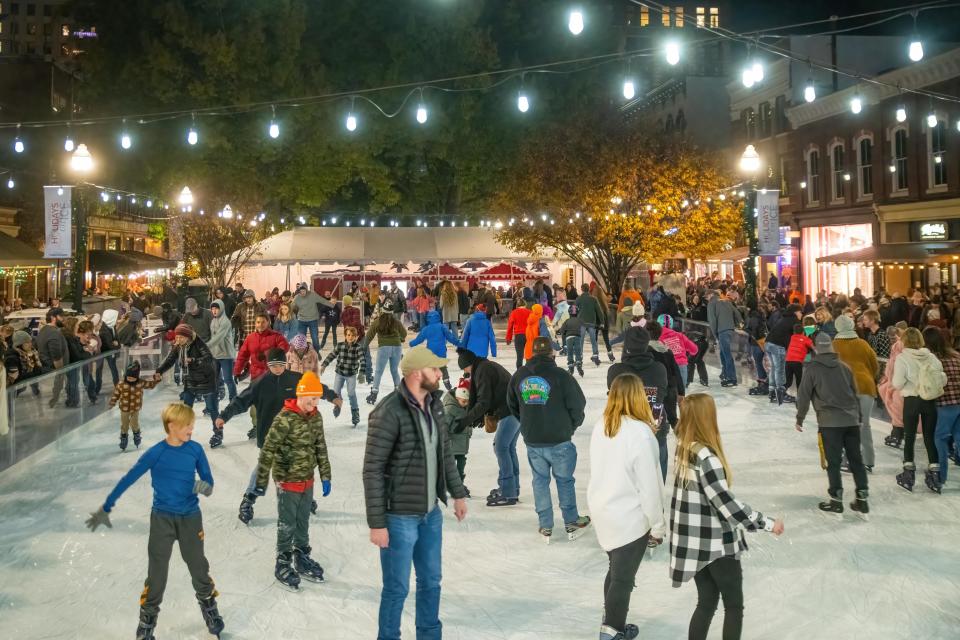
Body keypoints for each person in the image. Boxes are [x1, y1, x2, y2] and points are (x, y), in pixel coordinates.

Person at [84, 403, 224, 640]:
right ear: (172, 426)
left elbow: (208, 483)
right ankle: (147, 621)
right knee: (157, 572)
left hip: (190, 518)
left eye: (192, 424)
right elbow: (128, 478)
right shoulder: (156, 453)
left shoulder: (196, 450)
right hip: (162, 520)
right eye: (187, 425)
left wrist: (202, 486)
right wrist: (106, 508)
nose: (192, 428)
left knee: (198, 565)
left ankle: (209, 607)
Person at [362, 344, 468, 640]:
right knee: (397, 588)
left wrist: (457, 493)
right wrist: (377, 523)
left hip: (430, 514)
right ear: (415, 373)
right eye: (434, 368)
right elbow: (372, 470)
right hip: (398, 518)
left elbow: (444, 453)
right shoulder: (388, 412)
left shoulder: (434, 404)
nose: (439, 373)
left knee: (431, 581)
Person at [670, 393, 784, 640]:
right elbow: (727, 505)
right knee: (733, 606)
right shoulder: (706, 458)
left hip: (694, 543)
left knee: (706, 602)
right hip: (717, 545)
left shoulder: (684, 448)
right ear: (706, 417)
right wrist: (767, 523)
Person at [218, 348, 340, 523]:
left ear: (285, 364)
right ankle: (248, 501)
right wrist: (224, 416)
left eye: (280, 365)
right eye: (273, 365)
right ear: (268, 365)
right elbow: (241, 401)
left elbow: (315, 387)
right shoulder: (260, 383)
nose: (277, 368)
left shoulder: (296, 379)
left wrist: (333, 396)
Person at [588, 373, 666, 640]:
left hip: (603, 510)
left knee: (616, 571)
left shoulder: (603, 424)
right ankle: (610, 632)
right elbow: (650, 486)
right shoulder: (641, 434)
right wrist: (657, 525)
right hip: (628, 517)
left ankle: (612, 621)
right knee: (622, 578)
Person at [507, 337, 591, 542]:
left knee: (540, 481)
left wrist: (528, 424)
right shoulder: (561, 376)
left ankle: (545, 525)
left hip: (533, 440)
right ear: (552, 354)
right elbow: (578, 405)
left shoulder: (519, 376)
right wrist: (569, 427)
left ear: (532, 353)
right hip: (560, 439)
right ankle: (571, 521)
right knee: (564, 480)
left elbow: (512, 405)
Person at [253, 370, 331, 590]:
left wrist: (325, 475)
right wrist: (261, 480)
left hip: (307, 479)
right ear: (300, 395)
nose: (315, 403)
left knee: (303, 520)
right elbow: (268, 449)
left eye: (317, 399)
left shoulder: (316, 416)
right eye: (311, 398)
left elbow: (320, 447)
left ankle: (301, 556)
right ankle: (283, 561)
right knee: (287, 523)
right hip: (287, 480)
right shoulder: (284, 418)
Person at [794, 333, 870, 516]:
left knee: (834, 462)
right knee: (856, 461)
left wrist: (799, 418)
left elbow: (803, 396)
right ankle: (862, 499)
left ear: (816, 348)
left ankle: (836, 500)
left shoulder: (812, 369)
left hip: (830, 423)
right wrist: (858, 416)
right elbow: (854, 393)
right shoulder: (845, 367)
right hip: (851, 421)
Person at [457, 348, 517, 506]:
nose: (466, 374)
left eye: (465, 369)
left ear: (469, 365)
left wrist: (466, 420)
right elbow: (491, 395)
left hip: (510, 410)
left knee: (501, 448)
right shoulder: (486, 366)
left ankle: (508, 492)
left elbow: (484, 400)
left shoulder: (483, 370)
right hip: (516, 409)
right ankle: (511, 488)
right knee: (508, 448)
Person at [608, 327, 669, 479]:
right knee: (656, 482)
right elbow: (661, 397)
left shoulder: (616, 371)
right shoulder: (659, 369)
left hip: (625, 433)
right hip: (654, 430)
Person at [892, 327, 947, 493]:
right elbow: (942, 378)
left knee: (909, 436)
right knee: (929, 437)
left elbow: (897, 383)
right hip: (929, 401)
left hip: (912, 401)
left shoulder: (902, 358)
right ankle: (935, 474)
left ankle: (909, 473)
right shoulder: (931, 357)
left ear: (904, 341)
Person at [156, 324, 221, 447]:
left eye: (181, 337)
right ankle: (184, 434)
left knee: (212, 409)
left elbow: (208, 359)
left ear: (188, 337)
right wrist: (159, 370)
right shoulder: (179, 346)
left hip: (206, 380)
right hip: (190, 380)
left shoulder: (198, 343)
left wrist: (194, 360)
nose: (178, 340)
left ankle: (218, 433)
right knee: (185, 410)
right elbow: (170, 359)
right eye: (177, 337)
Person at [832, 315, 880, 472]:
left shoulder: (833, 346)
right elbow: (875, 365)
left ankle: (848, 460)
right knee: (864, 425)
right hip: (866, 386)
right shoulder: (863, 344)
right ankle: (868, 460)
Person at [926, 327, 960, 486]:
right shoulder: (956, 355)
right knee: (959, 437)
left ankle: (941, 477)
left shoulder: (933, 359)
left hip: (945, 403)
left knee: (940, 438)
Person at [321, 326, 368, 428]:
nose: (350, 337)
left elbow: (363, 360)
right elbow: (332, 355)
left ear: (356, 337)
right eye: (348, 335)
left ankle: (355, 412)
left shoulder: (358, 348)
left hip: (351, 375)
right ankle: (338, 405)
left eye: (352, 335)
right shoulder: (340, 346)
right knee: (336, 392)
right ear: (345, 336)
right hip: (340, 373)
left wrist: (361, 373)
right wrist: (324, 365)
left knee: (351, 393)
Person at [108, 361, 160, 451]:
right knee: (124, 424)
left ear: (137, 377)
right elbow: (115, 394)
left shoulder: (140, 382)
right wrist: (112, 403)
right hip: (124, 408)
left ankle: (136, 434)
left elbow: (150, 385)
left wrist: (156, 379)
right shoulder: (121, 384)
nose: (130, 379)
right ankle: (124, 437)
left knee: (134, 423)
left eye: (133, 378)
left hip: (135, 408)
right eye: (128, 377)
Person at [364, 306, 407, 406]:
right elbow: (404, 333)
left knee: (379, 371)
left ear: (382, 311)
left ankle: (374, 393)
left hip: (384, 348)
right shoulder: (396, 321)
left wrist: (364, 346)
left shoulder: (378, 321)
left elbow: (369, 335)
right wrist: (400, 339)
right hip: (397, 347)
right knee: (394, 370)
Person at [442, 378, 474, 495]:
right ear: (457, 398)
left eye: (467, 401)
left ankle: (459, 484)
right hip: (452, 444)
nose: (466, 403)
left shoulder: (465, 407)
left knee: (461, 465)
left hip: (462, 444)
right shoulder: (450, 408)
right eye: (463, 401)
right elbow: (443, 425)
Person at [707, 289, 743, 387]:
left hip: (722, 331)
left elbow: (712, 320)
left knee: (726, 354)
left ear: (711, 295)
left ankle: (732, 378)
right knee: (723, 353)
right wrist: (737, 324)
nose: (707, 298)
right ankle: (726, 374)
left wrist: (715, 335)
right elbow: (737, 313)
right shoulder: (725, 300)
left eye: (707, 296)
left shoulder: (711, 303)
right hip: (730, 330)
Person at [37, 308, 68, 408]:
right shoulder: (54, 333)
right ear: (53, 318)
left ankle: (54, 399)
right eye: (61, 316)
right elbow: (56, 356)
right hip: (54, 372)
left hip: (52, 372)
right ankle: (54, 400)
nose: (64, 319)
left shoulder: (44, 330)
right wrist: (61, 371)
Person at [208, 299, 237, 402]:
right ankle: (213, 401)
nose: (214, 311)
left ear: (221, 309)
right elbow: (212, 336)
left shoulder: (225, 322)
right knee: (214, 379)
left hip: (226, 355)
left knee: (228, 379)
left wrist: (207, 346)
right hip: (215, 355)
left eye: (216, 308)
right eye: (212, 309)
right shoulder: (213, 321)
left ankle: (234, 401)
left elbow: (218, 337)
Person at [291, 285, 330, 353]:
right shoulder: (297, 298)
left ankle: (316, 352)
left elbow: (321, 304)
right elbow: (292, 307)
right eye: (301, 291)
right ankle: (302, 352)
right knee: (301, 337)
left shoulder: (313, 296)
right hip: (302, 320)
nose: (302, 292)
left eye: (304, 291)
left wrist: (321, 314)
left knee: (314, 337)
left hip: (312, 320)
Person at [576, 283, 603, 366]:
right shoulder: (593, 299)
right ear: (589, 289)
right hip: (591, 321)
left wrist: (573, 319)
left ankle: (579, 357)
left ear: (581, 289)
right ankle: (595, 355)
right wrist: (602, 322)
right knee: (593, 339)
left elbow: (574, 309)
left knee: (580, 340)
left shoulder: (579, 299)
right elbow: (599, 311)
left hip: (581, 321)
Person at [95, 308, 121, 395]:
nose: (117, 319)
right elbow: (111, 344)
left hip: (110, 352)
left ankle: (117, 386)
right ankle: (96, 389)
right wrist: (116, 344)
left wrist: (116, 344)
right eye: (116, 317)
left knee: (113, 368)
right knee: (99, 370)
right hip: (102, 353)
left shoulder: (112, 326)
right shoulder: (103, 329)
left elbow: (117, 340)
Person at [559, 303, 584, 376]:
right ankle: (578, 362)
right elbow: (584, 326)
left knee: (570, 352)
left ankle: (570, 366)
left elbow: (562, 330)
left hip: (569, 338)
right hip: (577, 337)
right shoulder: (580, 320)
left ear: (569, 312)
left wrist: (563, 334)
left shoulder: (567, 321)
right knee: (577, 351)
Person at [506, 297, 531, 369]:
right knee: (528, 355)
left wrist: (508, 338)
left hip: (518, 336)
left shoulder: (514, 313)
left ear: (517, 305)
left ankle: (519, 372)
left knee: (519, 356)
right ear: (525, 304)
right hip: (528, 335)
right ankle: (528, 370)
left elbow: (510, 326)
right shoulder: (529, 312)